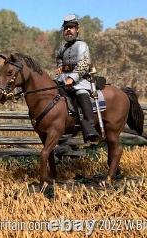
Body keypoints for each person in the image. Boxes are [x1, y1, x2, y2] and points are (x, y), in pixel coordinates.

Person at [55, 14, 99, 143]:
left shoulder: (82, 45)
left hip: (80, 80)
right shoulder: (62, 47)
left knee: (80, 92)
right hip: (62, 79)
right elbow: (58, 58)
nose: (68, 30)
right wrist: (60, 66)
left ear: (77, 29)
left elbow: (84, 64)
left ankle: (89, 125)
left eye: (71, 27)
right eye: (66, 28)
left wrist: (72, 79)